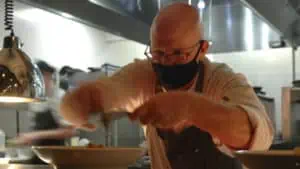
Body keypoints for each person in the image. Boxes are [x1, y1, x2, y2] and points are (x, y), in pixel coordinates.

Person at [59, 2, 274, 169]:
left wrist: (190, 107)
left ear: (203, 49)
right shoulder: (144, 75)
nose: (167, 62)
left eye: (179, 54)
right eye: (159, 53)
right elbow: (103, 93)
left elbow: (257, 137)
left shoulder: (222, 80)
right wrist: (78, 104)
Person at [12, 61, 75, 164]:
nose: (38, 82)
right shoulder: (35, 98)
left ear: (50, 76)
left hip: (56, 157)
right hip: (38, 155)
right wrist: (27, 138)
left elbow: (69, 131)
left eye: (43, 77)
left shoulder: (60, 97)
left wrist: (35, 135)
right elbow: (35, 128)